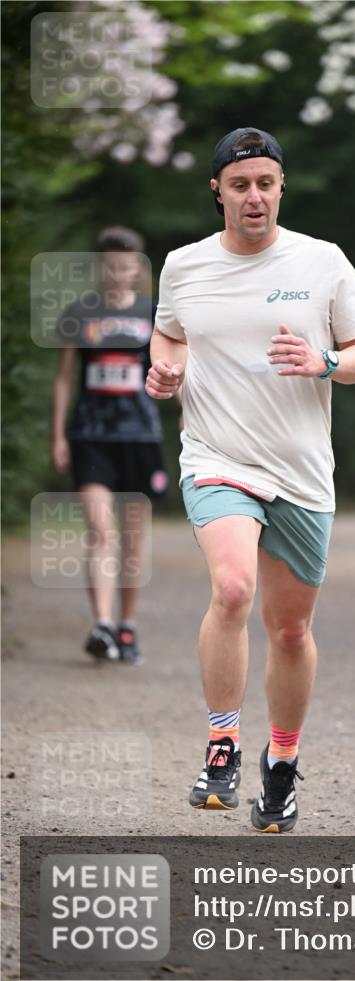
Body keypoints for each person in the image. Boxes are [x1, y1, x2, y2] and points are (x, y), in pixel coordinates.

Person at [146, 127, 355, 833]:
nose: (254, 196)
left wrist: (324, 362)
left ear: (282, 188)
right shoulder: (183, 266)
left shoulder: (323, 261)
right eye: (240, 183)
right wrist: (165, 367)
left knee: (289, 627)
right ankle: (222, 743)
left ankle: (280, 767)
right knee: (233, 587)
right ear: (217, 190)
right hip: (217, 456)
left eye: (265, 184)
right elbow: (169, 333)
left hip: (301, 471)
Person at [51, 226, 167, 666]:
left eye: (125, 268)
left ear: (137, 270)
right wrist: (58, 433)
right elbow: (64, 378)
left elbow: (172, 371)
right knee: (102, 532)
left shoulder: (155, 313)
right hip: (91, 434)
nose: (117, 275)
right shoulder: (80, 313)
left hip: (140, 435)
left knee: (134, 541)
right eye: (110, 267)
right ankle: (101, 624)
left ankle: (126, 625)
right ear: (100, 268)